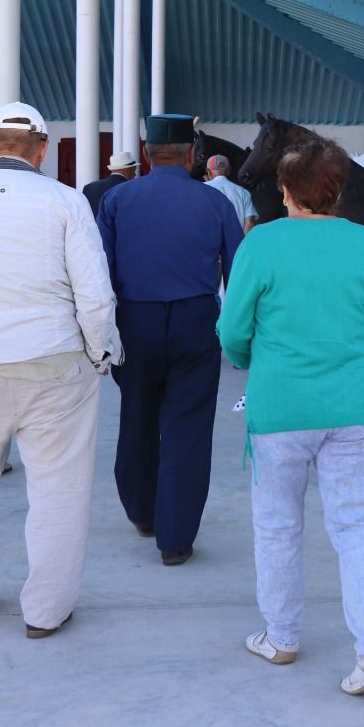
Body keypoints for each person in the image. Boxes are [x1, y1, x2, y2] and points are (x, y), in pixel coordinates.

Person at [217, 136, 364, 695]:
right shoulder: (360, 240)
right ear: (337, 189)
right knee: (355, 525)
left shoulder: (262, 244)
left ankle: (282, 635)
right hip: (354, 405)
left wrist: (253, 359)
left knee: (277, 524)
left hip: (281, 407)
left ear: (286, 190)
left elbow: (233, 332)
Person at [0, 101, 120, 636]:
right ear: (42, 150)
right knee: (58, 487)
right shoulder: (64, 201)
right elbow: (94, 293)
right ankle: (45, 611)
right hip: (53, 359)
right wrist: (98, 351)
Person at [98, 114, 243, 566]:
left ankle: (143, 512)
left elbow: (98, 273)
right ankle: (176, 539)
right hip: (195, 321)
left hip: (133, 321)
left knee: (137, 414)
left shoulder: (118, 200)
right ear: (192, 155)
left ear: (146, 153)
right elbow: (239, 271)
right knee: (188, 426)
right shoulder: (215, 203)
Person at [204, 154, 258, 234]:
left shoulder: (199, 190)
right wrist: (242, 245)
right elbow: (250, 222)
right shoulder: (243, 192)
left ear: (208, 171)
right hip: (236, 244)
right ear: (229, 170)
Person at [84, 151, 136, 217]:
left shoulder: (89, 187)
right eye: (133, 170)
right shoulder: (129, 188)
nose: (135, 174)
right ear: (126, 171)